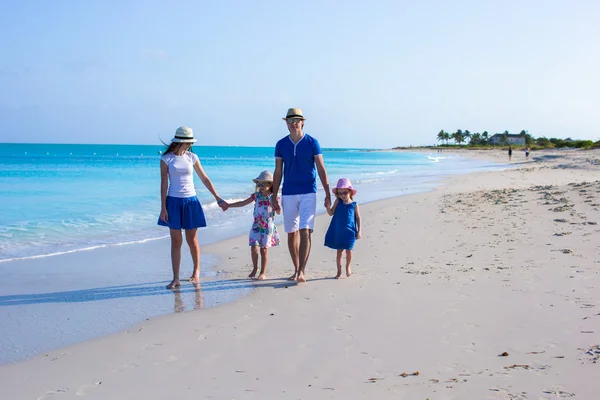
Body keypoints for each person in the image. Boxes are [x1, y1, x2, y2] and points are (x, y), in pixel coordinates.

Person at [158, 126, 228, 289]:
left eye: (190, 143)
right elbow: (163, 183)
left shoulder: (192, 157)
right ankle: (175, 278)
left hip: (191, 201)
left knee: (192, 239)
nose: (189, 145)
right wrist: (163, 208)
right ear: (179, 142)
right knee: (176, 242)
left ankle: (196, 271)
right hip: (173, 202)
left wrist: (218, 198)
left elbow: (204, 178)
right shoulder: (166, 159)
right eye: (187, 143)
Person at [271, 108, 331, 283]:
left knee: (305, 230)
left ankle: (302, 271)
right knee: (291, 232)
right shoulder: (281, 144)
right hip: (288, 193)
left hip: (308, 192)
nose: (293, 123)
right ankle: (296, 268)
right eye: (290, 121)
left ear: (302, 122)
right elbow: (277, 171)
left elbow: (321, 168)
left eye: (296, 120)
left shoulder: (313, 142)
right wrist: (274, 195)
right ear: (286, 123)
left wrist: (327, 193)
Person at [227, 170, 280, 280]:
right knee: (253, 247)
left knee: (264, 250)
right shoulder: (256, 196)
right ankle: (255, 269)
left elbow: (279, 212)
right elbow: (243, 203)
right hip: (256, 225)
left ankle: (263, 272)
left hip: (267, 227)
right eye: (258, 184)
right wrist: (229, 205)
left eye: (263, 184)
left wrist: (278, 208)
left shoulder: (273, 197)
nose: (260, 186)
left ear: (270, 185)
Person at [325, 178, 362, 279]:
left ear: (350, 192)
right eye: (340, 193)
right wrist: (327, 207)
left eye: (344, 193)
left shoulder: (354, 205)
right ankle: (339, 271)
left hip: (350, 232)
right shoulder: (338, 202)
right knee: (339, 252)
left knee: (349, 251)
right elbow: (331, 213)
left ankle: (348, 266)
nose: (342, 195)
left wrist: (359, 231)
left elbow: (358, 218)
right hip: (339, 232)